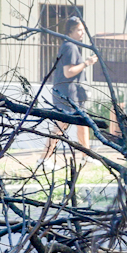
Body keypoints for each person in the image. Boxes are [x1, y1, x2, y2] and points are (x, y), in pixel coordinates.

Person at [49, 16, 95, 152]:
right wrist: (86, 63)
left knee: (83, 123)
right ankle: (44, 158)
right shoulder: (70, 47)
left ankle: (87, 156)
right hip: (66, 93)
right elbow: (68, 72)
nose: (82, 33)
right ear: (70, 31)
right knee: (60, 126)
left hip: (73, 92)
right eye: (79, 30)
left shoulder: (70, 46)